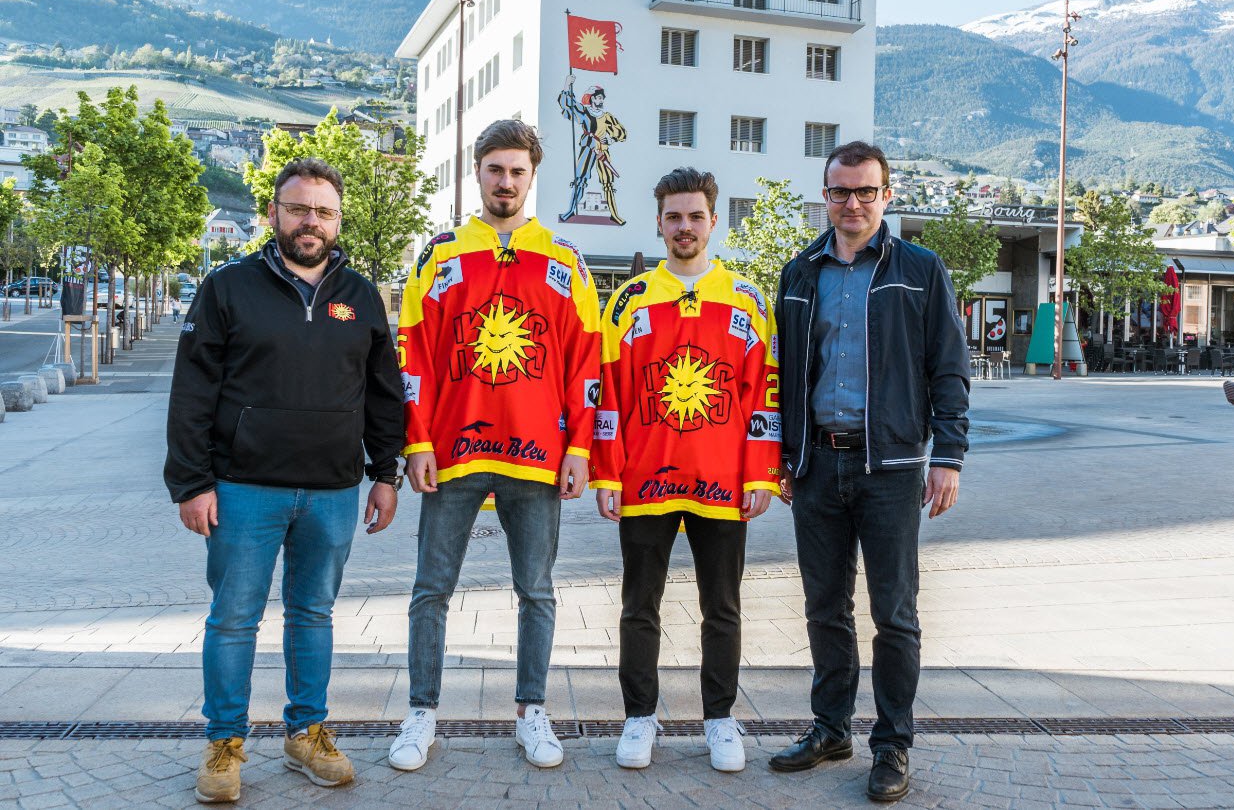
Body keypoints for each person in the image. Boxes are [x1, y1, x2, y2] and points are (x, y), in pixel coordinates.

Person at [164, 157, 405, 804]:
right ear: (272, 214)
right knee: (234, 618)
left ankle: (306, 734)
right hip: (243, 490)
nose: (310, 222)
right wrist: (191, 483)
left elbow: (384, 396)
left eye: (323, 211)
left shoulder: (362, 296)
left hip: (331, 491)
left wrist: (385, 474)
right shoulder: (228, 287)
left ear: (337, 219)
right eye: (298, 208)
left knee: (313, 615)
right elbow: (191, 392)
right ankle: (224, 745)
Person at [391, 119, 601, 772]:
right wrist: (415, 439)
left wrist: (580, 449)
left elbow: (585, 363)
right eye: (494, 169)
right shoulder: (440, 255)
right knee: (430, 587)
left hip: (537, 457)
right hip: (452, 454)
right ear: (476, 172)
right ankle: (421, 713)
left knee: (535, 590)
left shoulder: (563, 260)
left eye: (516, 171)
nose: (504, 181)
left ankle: (531, 711)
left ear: (531, 176)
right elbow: (412, 353)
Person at [770, 141, 970, 802]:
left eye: (864, 191)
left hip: (886, 467)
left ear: (886, 195)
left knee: (894, 613)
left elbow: (948, 368)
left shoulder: (918, 268)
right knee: (824, 608)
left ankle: (891, 743)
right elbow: (784, 377)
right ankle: (829, 728)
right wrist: (783, 458)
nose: (851, 204)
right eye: (838, 192)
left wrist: (946, 456)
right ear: (823, 196)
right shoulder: (798, 272)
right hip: (816, 467)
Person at [591, 167, 780, 773]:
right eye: (674, 216)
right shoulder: (627, 300)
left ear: (714, 221)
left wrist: (759, 475)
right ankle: (639, 717)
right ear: (659, 222)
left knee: (721, 607)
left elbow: (763, 396)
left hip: (723, 484)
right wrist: (606, 474)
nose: (684, 227)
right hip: (645, 482)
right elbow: (609, 393)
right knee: (638, 606)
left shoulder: (747, 301)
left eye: (695, 215)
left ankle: (720, 719)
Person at [558, 73, 628, 224]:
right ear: (591, 98)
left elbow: (622, 132)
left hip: (602, 150)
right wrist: (566, 84)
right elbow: (566, 104)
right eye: (597, 97)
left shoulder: (607, 116)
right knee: (580, 179)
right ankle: (571, 210)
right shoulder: (584, 111)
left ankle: (614, 214)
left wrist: (610, 138)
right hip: (588, 147)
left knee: (608, 182)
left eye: (602, 97)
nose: (600, 100)